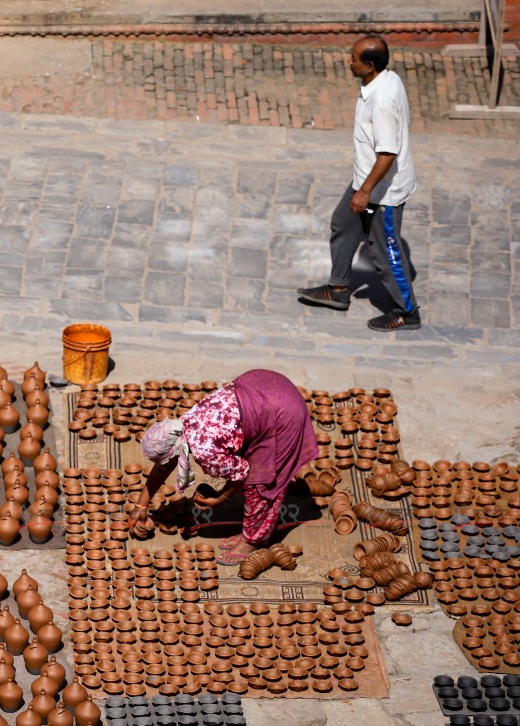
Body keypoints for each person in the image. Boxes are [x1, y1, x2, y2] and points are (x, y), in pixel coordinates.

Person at [127, 369, 317, 564]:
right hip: (265, 385)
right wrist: (141, 504)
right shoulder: (184, 423)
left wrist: (220, 498)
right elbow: (163, 467)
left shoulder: (206, 453)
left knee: (259, 483)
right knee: (244, 457)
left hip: (282, 411)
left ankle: (254, 540)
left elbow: (243, 472)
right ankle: (249, 531)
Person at [297, 35, 421, 332]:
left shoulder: (382, 101)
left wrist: (365, 192)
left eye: (353, 58)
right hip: (365, 182)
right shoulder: (381, 80)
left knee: (384, 253)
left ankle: (408, 312)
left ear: (369, 65)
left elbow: (388, 152)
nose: (348, 62)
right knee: (344, 223)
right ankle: (338, 288)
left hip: (382, 193)